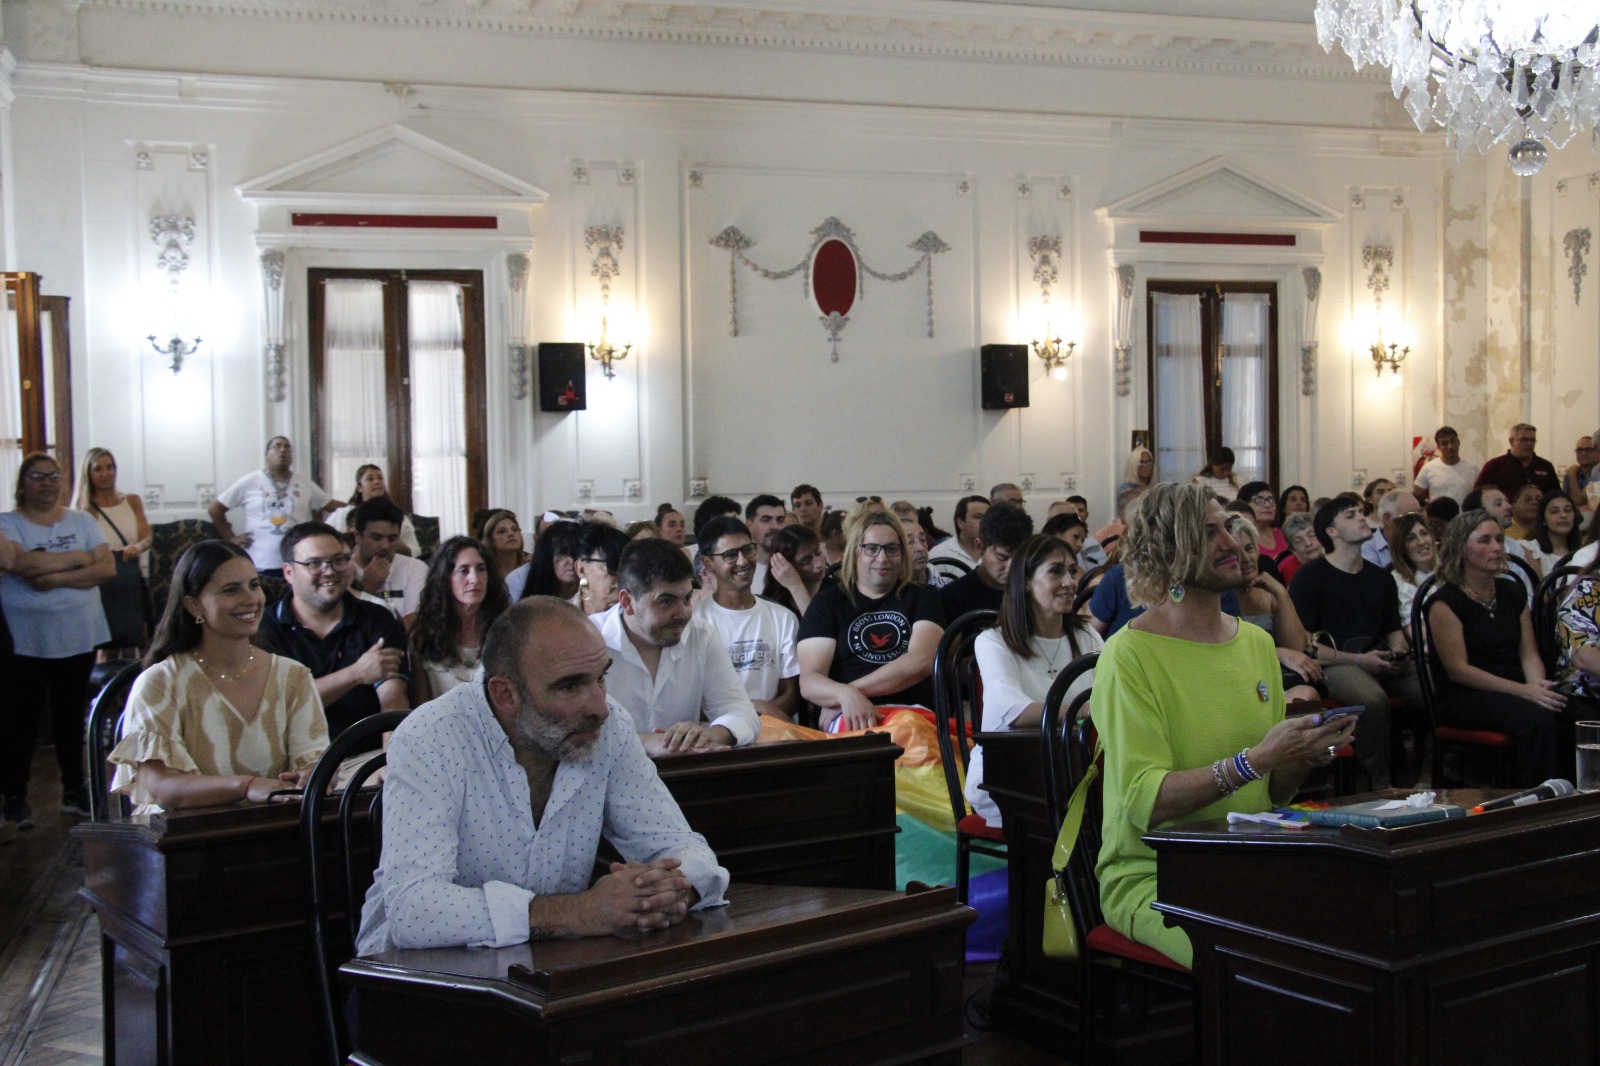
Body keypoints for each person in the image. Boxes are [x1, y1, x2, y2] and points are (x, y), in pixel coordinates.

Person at [355, 597, 728, 954]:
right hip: (413, 978)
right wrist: (578, 913)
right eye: (570, 686)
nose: (600, 707)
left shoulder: (609, 727)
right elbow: (414, 910)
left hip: (547, 966)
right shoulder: (431, 737)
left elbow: (686, 849)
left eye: (601, 678)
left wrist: (666, 893)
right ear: (505, 695)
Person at [1094, 482, 1357, 968]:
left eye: (1229, 528)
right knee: (1265, 954)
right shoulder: (1129, 654)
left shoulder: (1255, 644)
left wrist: (1300, 753)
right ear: (1168, 551)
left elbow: (1272, 793)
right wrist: (1255, 759)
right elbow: (1144, 803)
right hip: (1157, 874)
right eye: (1208, 532)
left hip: (1249, 856)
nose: (1233, 542)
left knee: (1357, 919)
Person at [108, 540, 328, 814]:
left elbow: (313, 760)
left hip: (272, 826)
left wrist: (313, 774)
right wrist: (246, 786)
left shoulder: (293, 676)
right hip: (184, 833)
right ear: (193, 606)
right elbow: (160, 787)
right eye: (231, 590)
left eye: (254, 585)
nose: (251, 599)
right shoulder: (161, 682)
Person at [0, 454, 113, 825]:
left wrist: (52, 575)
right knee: (22, 721)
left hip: (78, 634)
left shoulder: (82, 520)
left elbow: (106, 567)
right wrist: (79, 558)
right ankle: (14, 796)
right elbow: (20, 565)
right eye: (37, 476)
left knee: (70, 717)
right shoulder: (7, 523)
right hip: (25, 640)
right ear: (23, 483)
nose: (47, 483)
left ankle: (74, 790)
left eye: (54, 476)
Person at [1289, 493, 1427, 789]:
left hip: (1377, 656)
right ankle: (1378, 780)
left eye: (1362, 512)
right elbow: (1306, 645)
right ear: (1331, 532)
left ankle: (1425, 768)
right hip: (1332, 662)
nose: (1363, 518)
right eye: (1351, 515)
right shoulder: (1310, 577)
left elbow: (1392, 630)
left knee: (1435, 684)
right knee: (1371, 699)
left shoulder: (1380, 577)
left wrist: (1399, 651)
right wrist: (1361, 661)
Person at [969, 535, 1103, 826]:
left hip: (1076, 769)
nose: (1069, 582)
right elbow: (1015, 712)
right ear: (1026, 582)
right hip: (1009, 779)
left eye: (1072, 571)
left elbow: (1112, 694)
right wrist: (1085, 709)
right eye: (1056, 571)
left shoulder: (1087, 635)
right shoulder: (993, 642)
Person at [1428, 510, 1568, 785]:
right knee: (1539, 723)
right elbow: (1459, 671)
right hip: (1466, 694)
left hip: (1515, 684)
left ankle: (1581, 795)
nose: (1496, 547)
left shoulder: (1512, 591)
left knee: (1575, 713)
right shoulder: (1444, 603)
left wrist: (1538, 687)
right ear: (1461, 548)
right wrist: (1524, 692)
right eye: (1485, 540)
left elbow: (1528, 653)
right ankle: (1537, 800)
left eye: (1499, 539)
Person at [593, 538, 761, 755]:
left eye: (687, 598)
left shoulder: (701, 635)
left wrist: (710, 734)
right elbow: (570, 733)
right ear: (627, 602)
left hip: (684, 771)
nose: (683, 613)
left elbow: (743, 713)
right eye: (666, 601)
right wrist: (646, 743)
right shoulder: (589, 641)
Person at [253, 521, 409, 738]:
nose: (329, 571)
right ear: (289, 572)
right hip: (296, 754)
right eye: (314, 563)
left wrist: (388, 756)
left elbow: (392, 699)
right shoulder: (263, 629)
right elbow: (280, 705)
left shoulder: (376, 617)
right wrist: (355, 674)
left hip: (367, 751)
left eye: (338, 560)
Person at [798, 509, 945, 731]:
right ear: (855, 553)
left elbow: (921, 662)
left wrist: (849, 692)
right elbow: (809, 681)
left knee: (908, 732)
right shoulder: (827, 602)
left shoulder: (924, 596)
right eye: (871, 549)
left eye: (891, 549)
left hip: (913, 713)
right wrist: (844, 696)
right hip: (849, 713)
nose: (882, 558)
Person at [694, 515, 801, 722]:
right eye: (730, 555)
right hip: (715, 732)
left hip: (771, 728)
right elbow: (691, 701)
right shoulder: (695, 622)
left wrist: (755, 716)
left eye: (748, 550)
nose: (743, 561)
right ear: (708, 563)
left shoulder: (782, 618)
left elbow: (791, 694)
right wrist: (741, 718)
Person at [208, 436, 336, 572]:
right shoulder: (250, 481)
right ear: (266, 454)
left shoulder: (304, 483)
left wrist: (353, 507)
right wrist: (231, 539)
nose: (282, 450)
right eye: (277, 446)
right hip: (259, 563)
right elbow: (215, 509)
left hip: (297, 564)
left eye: (287, 447)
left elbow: (332, 505)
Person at [407, 536, 510, 705]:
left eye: (481, 569)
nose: (475, 579)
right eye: (464, 570)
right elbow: (421, 707)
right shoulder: (424, 635)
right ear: (445, 578)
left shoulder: (506, 630)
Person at [1230, 516, 1322, 703]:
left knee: (1306, 695)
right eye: (1236, 553)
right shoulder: (1219, 599)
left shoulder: (1268, 594)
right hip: (1238, 680)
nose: (1246, 559)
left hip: (1274, 679)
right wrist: (1278, 653)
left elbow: (1296, 647)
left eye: (1249, 549)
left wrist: (1281, 593)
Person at [76, 447, 152, 652]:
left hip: (130, 577)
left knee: (135, 639)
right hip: (102, 582)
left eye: (109, 467)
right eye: (98, 469)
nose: (105, 474)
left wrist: (137, 547)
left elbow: (146, 536)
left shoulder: (132, 501)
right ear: (88, 473)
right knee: (106, 643)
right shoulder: (84, 511)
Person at [939, 503, 1033, 619]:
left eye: (1020, 558)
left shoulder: (1035, 593)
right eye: (1002, 557)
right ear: (980, 547)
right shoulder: (951, 598)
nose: (1011, 567)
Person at [349, 497, 428, 630]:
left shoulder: (415, 568)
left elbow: (412, 624)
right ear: (358, 536)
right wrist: (367, 590)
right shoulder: (344, 570)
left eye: (392, 539)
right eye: (376, 538)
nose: (385, 546)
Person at [327, 464, 420, 556]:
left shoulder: (396, 516)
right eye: (370, 479)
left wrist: (394, 542)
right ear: (359, 487)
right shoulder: (341, 515)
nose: (377, 482)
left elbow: (414, 551)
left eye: (380, 478)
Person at [1474, 422, 1561, 502]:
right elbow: (1476, 497)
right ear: (1511, 441)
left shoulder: (1546, 466)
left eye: (1532, 440)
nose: (1529, 444)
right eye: (1523, 440)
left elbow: (1556, 496)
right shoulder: (1494, 466)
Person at [761, 524, 830, 618]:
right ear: (784, 564)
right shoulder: (772, 602)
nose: (819, 564)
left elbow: (817, 626)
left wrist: (796, 587)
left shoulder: (837, 590)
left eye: (818, 553)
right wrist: (795, 586)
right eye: (806, 561)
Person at [509, 519, 582, 601]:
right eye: (562, 553)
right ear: (548, 555)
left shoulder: (589, 594)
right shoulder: (520, 579)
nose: (571, 561)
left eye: (576, 554)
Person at [572, 522, 631, 616]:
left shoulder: (636, 619)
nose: (621, 578)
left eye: (626, 568)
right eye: (612, 566)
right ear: (581, 569)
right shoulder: (559, 616)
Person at [1414, 425, 1479, 505]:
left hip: (1467, 513)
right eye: (1444, 443)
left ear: (1458, 442)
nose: (1450, 446)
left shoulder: (1473, 468)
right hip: (1438, 513)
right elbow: (1417, 498)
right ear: (1438, 447)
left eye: (1452, 441)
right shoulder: (1428, 468)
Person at [1389, 512, 1435, 626]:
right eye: (1411, 538)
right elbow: (1416, 631)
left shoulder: (1447, 570)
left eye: (1424, 533)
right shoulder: (1398, 582)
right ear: (1400, 547)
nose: (1422, 542)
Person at [927, 495, 987, 581]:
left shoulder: (998, 552)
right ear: (960, 522)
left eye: (988, 517)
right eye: (978, 517)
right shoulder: (939, 554)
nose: (985, 521)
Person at [1361, 487, 1422, 570]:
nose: (1418, 521)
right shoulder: (1368, 549)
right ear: (1388, 519)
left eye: (1419, 514)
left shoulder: (1423, 541)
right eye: (1410, 516)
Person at [1525, 490, 1580, 577]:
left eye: (1568, 510)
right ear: (1543, 519)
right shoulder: (1529, 549)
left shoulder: (1585, 551)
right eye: (1555, 511)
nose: (1563, 515)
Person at [744, 494, 786, 592]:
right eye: (766, 520)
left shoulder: (793, 567)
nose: (775, 526)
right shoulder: (739, 569)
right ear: (749, 526)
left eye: (780, 520)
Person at [1236, 481, 1287, 557]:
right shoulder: (1240, 539)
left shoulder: (1284, 535)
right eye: (1260, 500)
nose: (1267, 505)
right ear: (1244, 505)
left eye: (1271, 500)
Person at [478, 509, 529, 581]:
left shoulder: (530, 568)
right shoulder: (484, 572)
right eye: (502, 531)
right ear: (490, 540)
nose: (511, 534)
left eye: (515, 529)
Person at [1277, 511, 1322, 584]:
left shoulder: (1334, 558)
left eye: (1311, 535)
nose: (1308, 543)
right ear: (1292, 550)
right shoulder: (1290, 569)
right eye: (1299, 541)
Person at [1564, 437, 1597, 514]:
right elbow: (1563, 501)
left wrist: (1572, 475)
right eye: (1579, 450)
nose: (1583, 453)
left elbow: (1579, 500)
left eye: (1588, 449)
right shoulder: (1570, 475)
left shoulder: (1597, 474)